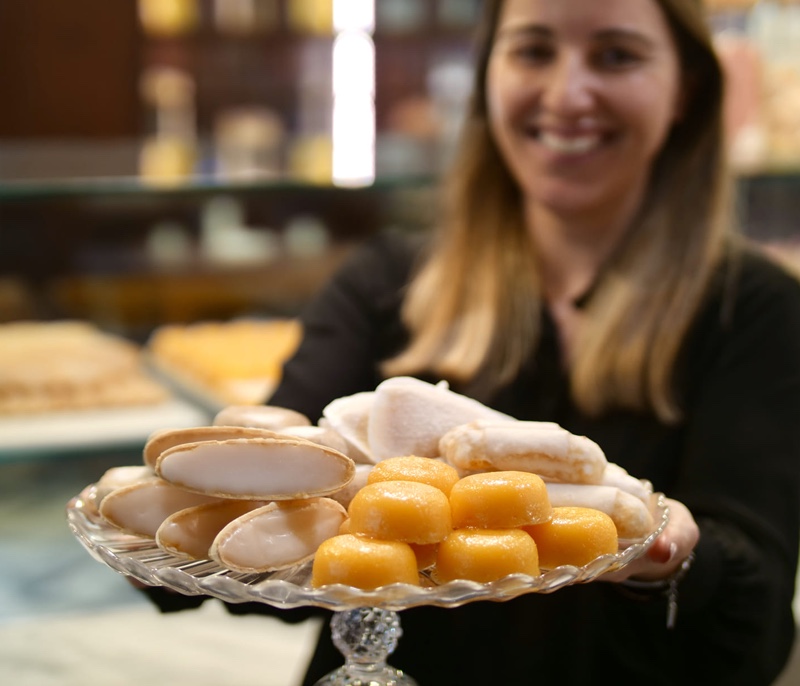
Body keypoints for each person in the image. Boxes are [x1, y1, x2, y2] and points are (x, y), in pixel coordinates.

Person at [140, 0, 800, 683]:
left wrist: (673, 555)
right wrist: (173, 516)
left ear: (686, 89)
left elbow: (752, 633)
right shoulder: (386, 282)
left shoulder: (753, 310)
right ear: (488, 76)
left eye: (616, 55)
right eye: (534, 51)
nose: (568, 94)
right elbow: (279, 550)